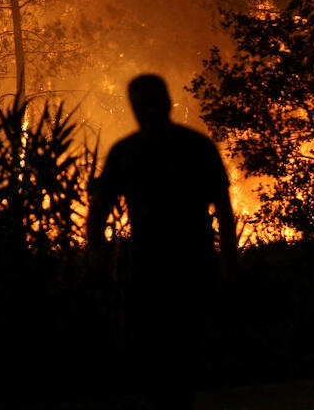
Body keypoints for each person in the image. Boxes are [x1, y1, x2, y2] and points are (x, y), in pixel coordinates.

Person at [88, 73, 238, 407]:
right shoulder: (126, 153)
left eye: (154, 104)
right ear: (135, 109)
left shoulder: (195, 148)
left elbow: (225, 212)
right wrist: (96, 256)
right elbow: (98, 210)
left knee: (184, 350)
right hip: (150, 267)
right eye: (143, 106)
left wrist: (228, 264)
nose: (149, 112)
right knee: (155, 352)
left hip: (191, 263)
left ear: (166, 103)